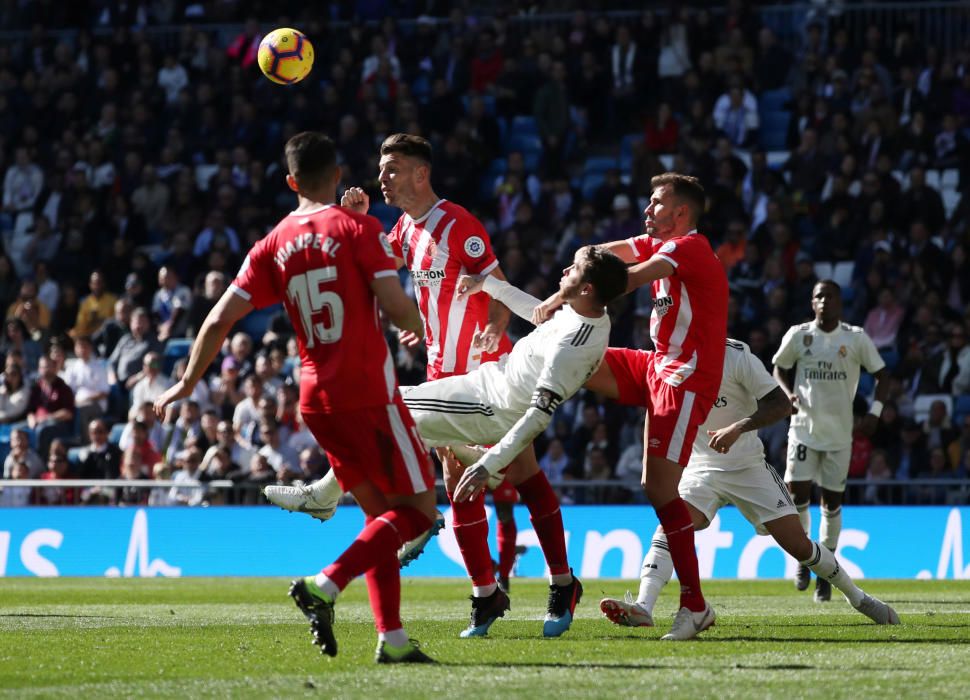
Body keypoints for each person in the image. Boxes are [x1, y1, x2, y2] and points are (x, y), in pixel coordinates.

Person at [153, 131, 437, 664]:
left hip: (315, 398)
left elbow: (218, 318)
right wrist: (422, 321)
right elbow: (398, 310)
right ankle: (324, 585)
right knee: (420, 513)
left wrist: (188, 383)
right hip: (368, 393)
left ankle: (393, 640)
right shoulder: (358, 229)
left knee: (379, 517)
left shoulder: (272, 243)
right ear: (337, 176)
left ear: (290, 182)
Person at [269, 244, 628, 639]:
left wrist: (488, 463)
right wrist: (487, 284)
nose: (564, 270)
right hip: (486, 386)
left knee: (381, 404)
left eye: (574, 269)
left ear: (588, 288)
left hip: (489, 406)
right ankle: (360, 493)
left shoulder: (573, 344)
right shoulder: (587, 312)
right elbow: (537, 312)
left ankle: (334, 497)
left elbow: (538, 417)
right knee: (393, 418)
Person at [268, 133, 524, 602]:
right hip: (440, 369)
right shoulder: (405, 229)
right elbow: (369, 263)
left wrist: (490, 331)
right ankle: (486, 591)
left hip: (482, 372)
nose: (382, 177)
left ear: (420, 173)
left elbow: (500, 291)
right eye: (381, 169)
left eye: (392, 169)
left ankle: (339, 497)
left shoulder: (457, 222)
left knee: (404, 420)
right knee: (462, 479)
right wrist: (359, 221)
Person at [535, 172, 728, 641]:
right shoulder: (659, 241)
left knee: (659, 489)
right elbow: (606, 254)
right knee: (582, 357)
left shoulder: (689, 249)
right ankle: (522, 410)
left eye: (656, 202)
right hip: (656, 366)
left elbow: (625, 279)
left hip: (685, 379)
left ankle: (695, 606)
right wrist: (571, 280)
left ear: (680, 213)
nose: (647, 209)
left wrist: (567, 289)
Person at [599, 339, 899, 628]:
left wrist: (736, 428)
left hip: (747, 467)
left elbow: (780, 404)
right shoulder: (667, 361)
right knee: (669, 525)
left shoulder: (736, 355)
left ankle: (859, 598)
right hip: (700, 469)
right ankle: (643, 607)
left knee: (799, 546)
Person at [772, 279, 889, 602]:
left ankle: (827, 573)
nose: (824, 300)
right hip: (803, 429)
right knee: (797, 497)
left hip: (840, 434)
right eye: (818, 296)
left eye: (830, 296)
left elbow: (883, 375)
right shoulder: (799, 335)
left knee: (832, 503)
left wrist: (875, 412)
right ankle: (803, 559)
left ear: (840, 302)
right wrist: (787, 393)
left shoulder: (855, 338)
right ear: (812, 303)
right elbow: (778, 368)